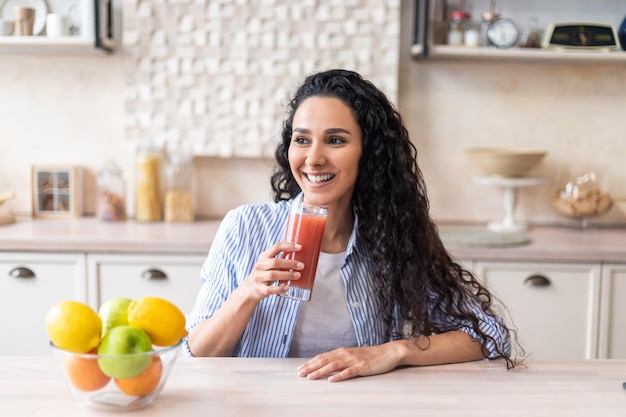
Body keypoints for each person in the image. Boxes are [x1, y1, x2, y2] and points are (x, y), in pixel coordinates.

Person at [183, 68, 518, 382]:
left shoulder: (391, 237)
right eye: (302, 140)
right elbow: (198, 352)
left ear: (367, 153)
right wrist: (250, 291)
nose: (313, 159)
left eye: (335, 141)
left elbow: (487, 333)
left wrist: (393, 352)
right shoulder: (244, 227)